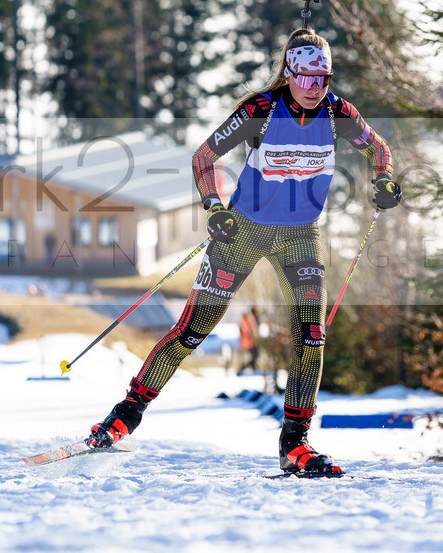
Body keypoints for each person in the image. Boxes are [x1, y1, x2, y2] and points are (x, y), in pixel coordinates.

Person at [86, 28, 402, 476]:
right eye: (307, 77)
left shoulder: (338, 114)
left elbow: (379, 149)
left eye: (325, 78)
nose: (316, 87)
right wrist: (214, 207)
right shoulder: (261, 110)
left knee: (312, 337)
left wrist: (384, 179)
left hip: (299, 234)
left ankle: (295, 445)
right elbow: (203, 157)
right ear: (289, 73)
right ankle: (121, 419)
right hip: (243, 232)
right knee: (192, 332)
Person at [237, 309, 260, 374]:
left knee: (255, 355)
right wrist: (252, 336)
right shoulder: (246, 319)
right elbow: (247, 331)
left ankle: (253, 367)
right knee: (255, 355)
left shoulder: (248, 319)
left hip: (250, 341)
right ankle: (244, 369)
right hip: (249, 342)